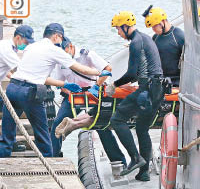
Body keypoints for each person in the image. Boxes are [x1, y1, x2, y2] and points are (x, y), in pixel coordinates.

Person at [56, 11, 164, 180]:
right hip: (156, 89)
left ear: (126, 26)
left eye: (118, 29)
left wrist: (115, 85)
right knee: (142, 130)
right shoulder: (145, 38)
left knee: (116, 119)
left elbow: (131, 73)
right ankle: (143, 174)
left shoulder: (136, 42)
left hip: (147, 90)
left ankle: (135, 158)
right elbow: (138, 73)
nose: (118, 33)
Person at [0, 23, 106, 158]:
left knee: (7, 132)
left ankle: (3, 162)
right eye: (61, 39)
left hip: (13, 88)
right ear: (57, 36)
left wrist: (64, 84)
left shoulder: (32, 47)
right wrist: (100, 72)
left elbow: (38, 76)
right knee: (42, 133)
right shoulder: (55, 50)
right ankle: (49, 162)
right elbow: (82, 69)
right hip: (30, 93)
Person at [51, 37, 127, 167]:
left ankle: (119, 161)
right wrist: (70, 92)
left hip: (93, 92)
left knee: (101, 126)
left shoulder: (86, 54)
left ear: (70, 46)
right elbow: (60, 83)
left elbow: (107, 68)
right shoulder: (60, 61)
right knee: (58, 123)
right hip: (74, 94)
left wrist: (97, 86)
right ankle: (53, 158)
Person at [143, 5, 185, 86]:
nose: (153, 29)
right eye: (152, 27)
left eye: (155, 25)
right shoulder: (155, 38)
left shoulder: (179, 36)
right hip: (161, 81)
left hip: (177, 82)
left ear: (163, 21)